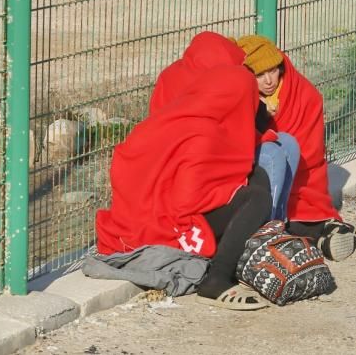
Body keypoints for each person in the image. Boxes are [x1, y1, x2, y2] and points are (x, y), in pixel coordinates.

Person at [96, 33, 271, 310]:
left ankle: (246, 251)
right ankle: (218, 278)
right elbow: (185, 202)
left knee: (256, 179)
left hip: (141, 210)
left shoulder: (180, 118)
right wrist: (229, 190)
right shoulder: (203, 133)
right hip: (163, 221)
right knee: (257, 197)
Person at [236, 35, 356, 262]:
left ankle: (321, 234)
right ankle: (319, 236)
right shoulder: (240, 97)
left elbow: (310, 153)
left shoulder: (305, 95)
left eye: (273, 70)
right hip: (259, 180)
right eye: (259, 75)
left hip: (301, 179)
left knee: (300, 212)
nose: (269, 80)